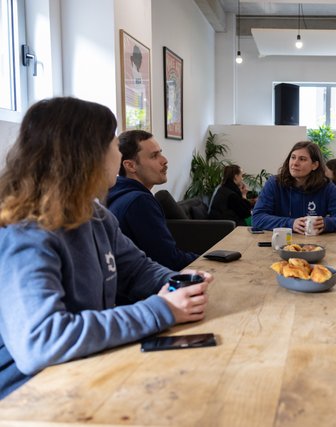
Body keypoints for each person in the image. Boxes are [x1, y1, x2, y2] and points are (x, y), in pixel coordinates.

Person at [0, 97, 211, 399]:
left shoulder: (97, 215)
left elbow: (138, 270)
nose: (118, 150)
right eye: (113, 143)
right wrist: (160, 311)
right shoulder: (25, 232)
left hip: (85, 367)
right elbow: (40, 342)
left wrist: (179, 281)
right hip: (27, 395)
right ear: (85, 155)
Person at [107, 130, 198, 270]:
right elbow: (168, 260)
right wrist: (204, 259)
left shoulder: (116, 195)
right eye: (154, 156)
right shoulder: (139, 202)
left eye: (160, 153)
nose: (164, 160)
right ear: (130, 166)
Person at [252, 141, 336, 234]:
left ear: (314, 165)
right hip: (280, 245)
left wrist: (326, 223)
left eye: (302, 159)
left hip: (314, 246)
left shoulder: (326, 187)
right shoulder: (274, 183)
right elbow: (257, 218)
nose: (295, 163)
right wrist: (291, 224)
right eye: (293, 157)